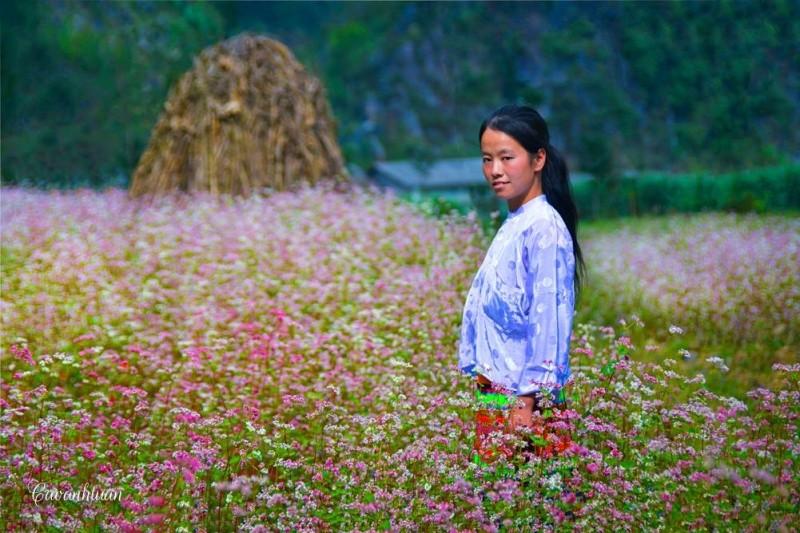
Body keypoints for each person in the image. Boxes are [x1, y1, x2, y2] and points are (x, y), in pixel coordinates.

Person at [458, 104, 586, 461]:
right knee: (499, 505)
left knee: (528, 506)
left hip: (525, 402)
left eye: (506, 158)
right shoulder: (517, 221)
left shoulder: (544, 227)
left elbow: (549, 324)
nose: (495, 171)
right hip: (500, 392)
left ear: (538, 158)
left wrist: (525, 406)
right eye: (487, 159)